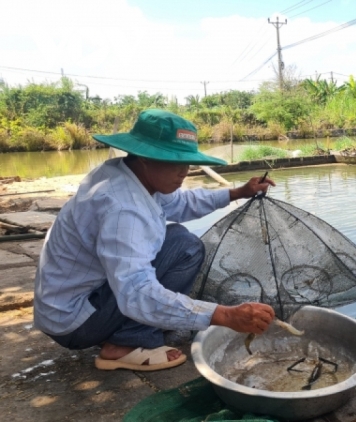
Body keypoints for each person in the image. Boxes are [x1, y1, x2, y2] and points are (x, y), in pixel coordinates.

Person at [33, 109, 276, 371]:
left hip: (66, 304)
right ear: (146, 158)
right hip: (74, 321)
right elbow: (137, 292)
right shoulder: (123, 208)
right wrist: (226, 315)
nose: (185, 171)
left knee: (181, 241)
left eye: (187, 162)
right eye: (175, 162)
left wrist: (238, 192)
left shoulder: (122, 173)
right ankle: (125, 344)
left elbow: (181, 202)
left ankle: (121, 332)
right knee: (185, 249)